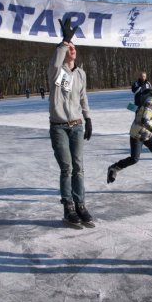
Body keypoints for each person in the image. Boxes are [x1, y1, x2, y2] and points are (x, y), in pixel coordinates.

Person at [48, 18, 94, 229]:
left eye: (74, 47)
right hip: (59, 127)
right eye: (69, 47)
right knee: (67, 168)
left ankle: (80, 204)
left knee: (79, 168)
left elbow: (83, 98)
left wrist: (88, 118)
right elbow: (57, 63)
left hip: (76, 126)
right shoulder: (58, 73)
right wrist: (64, 41)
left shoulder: (81, 74)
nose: (72, 49)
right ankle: (68, 207)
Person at [107, 81, 152, 192]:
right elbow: (145, 120)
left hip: (149, 133)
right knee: (134, 159)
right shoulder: (150, 103)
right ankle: (114, 168)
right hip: (138, 134)